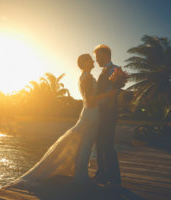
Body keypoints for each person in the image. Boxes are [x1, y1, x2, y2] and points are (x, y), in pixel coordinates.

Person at [10, 53, 118, 189]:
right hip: (91, 115)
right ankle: (81, 177)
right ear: (84, 62)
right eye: (91, 60)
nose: (94, 62)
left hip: (90, 114)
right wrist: (109, 94)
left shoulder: (84, 77)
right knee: (85, 145)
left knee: (85, 145)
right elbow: (90, 100)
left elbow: (90, 99)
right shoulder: (88, 78)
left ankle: (81, 175)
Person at [93, 44, 122, 186]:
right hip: (99, 111)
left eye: (97, 57)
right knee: (99, 143)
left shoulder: (116, 70)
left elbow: (114, 92)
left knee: (108, 145)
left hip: (109, 112)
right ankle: (101, 174)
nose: (96, 60)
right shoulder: (103, 71)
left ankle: (114, 177)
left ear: (105, 55)